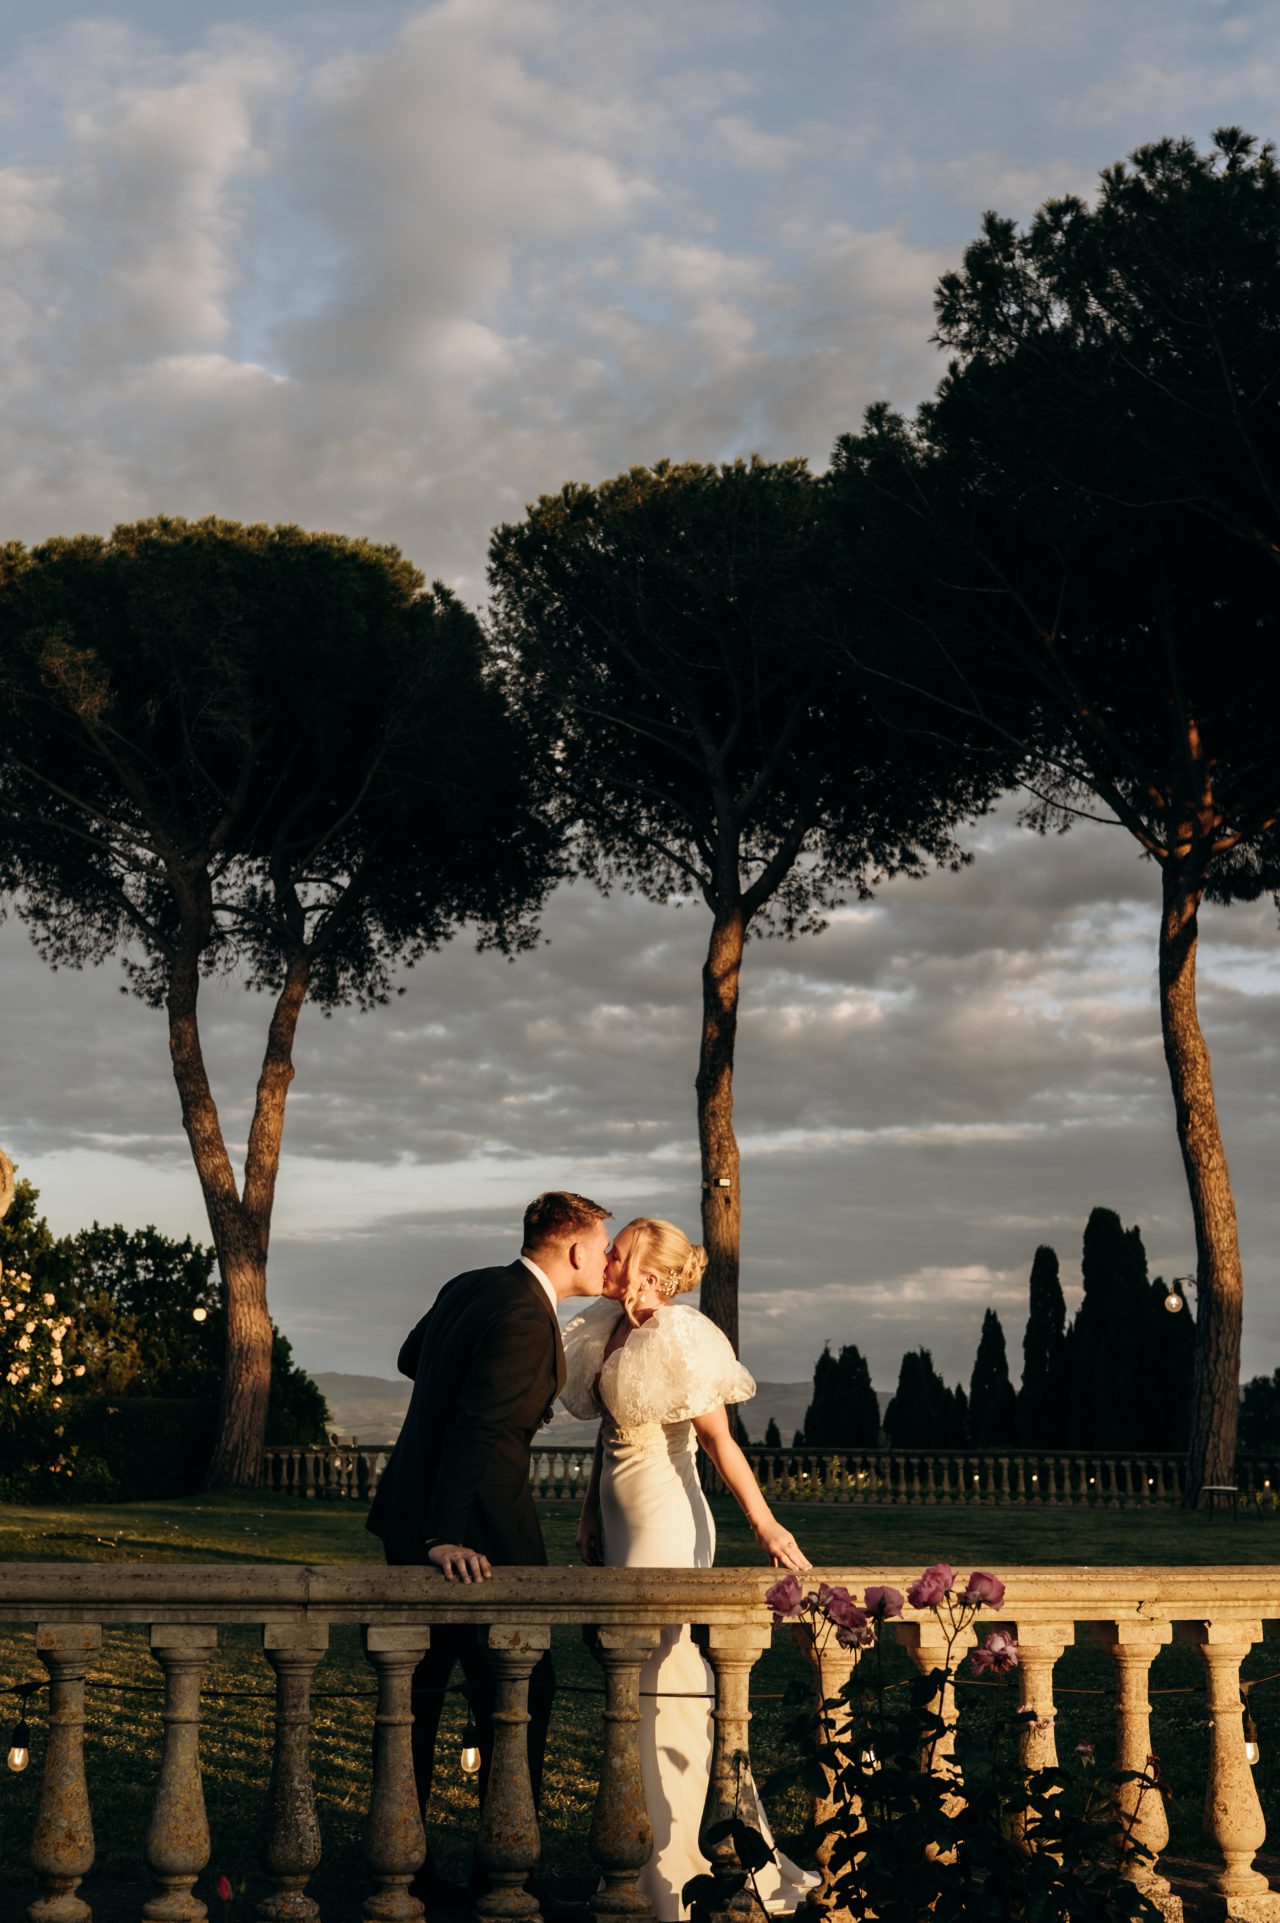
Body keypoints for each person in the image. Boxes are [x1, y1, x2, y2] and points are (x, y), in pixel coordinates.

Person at [563, 1217, 817, 1922]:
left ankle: (675, 1866)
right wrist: (588, 1511)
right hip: (618, 1520)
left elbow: (719, 1444)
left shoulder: (678, 1335)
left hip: (668, 1520)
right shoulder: (611, 1326)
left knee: (666, 1680)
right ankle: (649, 1845)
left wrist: (765, 1523)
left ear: (649, 1269)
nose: (608, 1260)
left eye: (619, 1254)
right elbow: (605, 1434)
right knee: (633, 1681)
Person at [366, 1189, 612, 1901]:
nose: (605, 1258)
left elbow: (418, 1356)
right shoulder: (527, 1318)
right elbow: (478, 1429)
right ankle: (503, 1869)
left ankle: (404, 1869)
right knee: (522, 1688)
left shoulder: (471, 1285)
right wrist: (445, 1534)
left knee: (420, 1693)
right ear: (572, 1249)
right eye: (600, 1246)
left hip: (408, 1512)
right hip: (475, 1534)